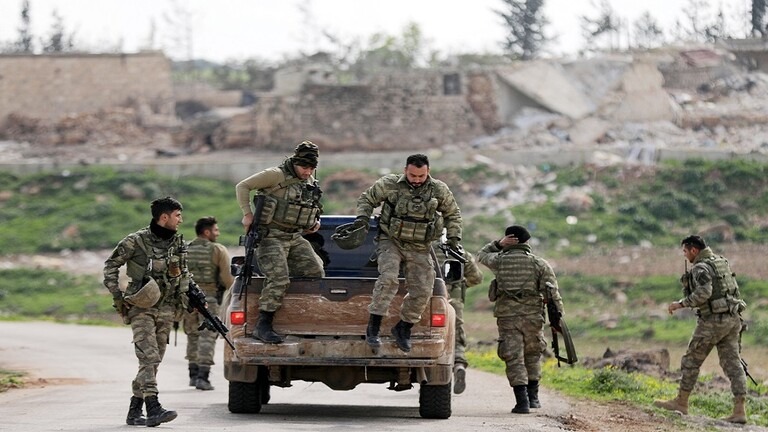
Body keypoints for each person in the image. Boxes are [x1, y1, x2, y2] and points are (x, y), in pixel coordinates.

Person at [355, 153, 463, 353]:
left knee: (423, 288)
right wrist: (362, 218)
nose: (417, 180)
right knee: (388, 278)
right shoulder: (390, 184)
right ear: (405, 170)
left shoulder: (438, 189)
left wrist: (454, 237)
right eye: (413, 175)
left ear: (428, 172)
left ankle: (403, 328)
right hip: (391, 240)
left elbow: (453, 213)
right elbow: (367, 199)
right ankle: (373, 328)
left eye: (421, 176)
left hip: (420, 246)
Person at [103, 196, 189, 427]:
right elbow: (111, 265)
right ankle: (153, 407)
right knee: (148, 356)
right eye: (177, 216)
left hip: (167, 307)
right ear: (164, 217)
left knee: (154, 360)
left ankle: (134, 410)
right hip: (141, 306)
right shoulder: (136, 241)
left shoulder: (178, 243)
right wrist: (118, 296)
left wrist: (192, 297)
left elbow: (184, 274)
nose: (181, 220)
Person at [235, 141, 325, 344]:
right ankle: (263, 325)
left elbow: (311, 204)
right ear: (295, 162)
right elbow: (242, 186)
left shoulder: (309, 180)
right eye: (304, 167)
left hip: (295, 237)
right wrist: (247, 214)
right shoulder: (275, 175)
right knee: (278, 278)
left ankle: (300, 317)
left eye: (311, 168)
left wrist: (314, 221)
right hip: (271, 237)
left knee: (315, 272)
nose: (307, 172)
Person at [654, 235, 748, 424]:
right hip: (733, 319)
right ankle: (739, 411)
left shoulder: (700, 267)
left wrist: (681, 303)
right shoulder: (720, 261)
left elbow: (704, 293)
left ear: (694, 250)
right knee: (733, 364)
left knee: (691, 360)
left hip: (713, 322)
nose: (685, 255)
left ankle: (681, 403)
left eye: (685, 251)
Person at [476, 225, 563, 414]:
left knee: (513, 356)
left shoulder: (499, 260)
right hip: (533, 316)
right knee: (532, 354)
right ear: (526, 242)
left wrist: (498, 244)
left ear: (508, 240)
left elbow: (481, 255)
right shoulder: (539, 263)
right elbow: (552, 294)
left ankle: (521, 402)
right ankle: (534, 398)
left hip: (508, 317)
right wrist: (558, 319)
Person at [182, 216, 234, 391]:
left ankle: (193, 373)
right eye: (215, 230)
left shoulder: (185, 249)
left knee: (192, 334)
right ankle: (203, 377)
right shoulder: (217, 250)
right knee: (208, 335)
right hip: (209, 298)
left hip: (187, 299)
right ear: (206, 232)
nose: (217, 233)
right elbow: (227, 278)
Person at [433, 239, 483, 394]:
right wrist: (461, 285)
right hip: (454, 302)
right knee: (456, 334)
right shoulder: (460, 253)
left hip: (428, 301)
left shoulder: (422, 249)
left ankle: (429, 370)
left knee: (429, 334)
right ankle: (459, 365)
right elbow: (477, 278)